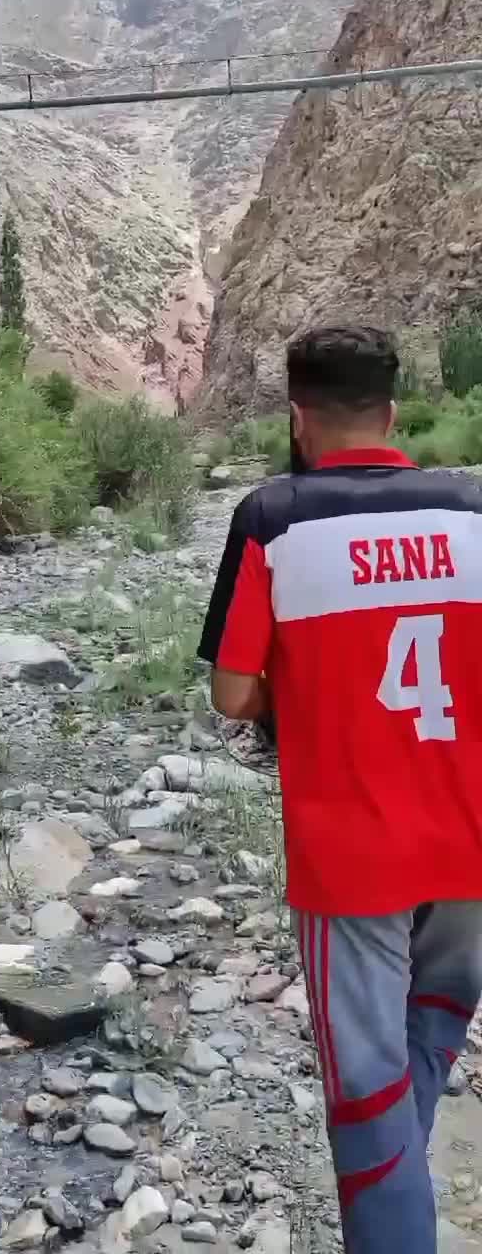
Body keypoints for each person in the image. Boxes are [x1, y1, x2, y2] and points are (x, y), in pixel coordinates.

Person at [198, 325, 482, 1254]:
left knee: (364, 1092)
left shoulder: (275, 518)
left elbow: (232, 693)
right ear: (393, 414)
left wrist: (313, 690)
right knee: (430, 1028)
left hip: (350, 854)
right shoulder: (473, 508)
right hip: (469, 838)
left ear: (298, 416)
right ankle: (404, 1184)